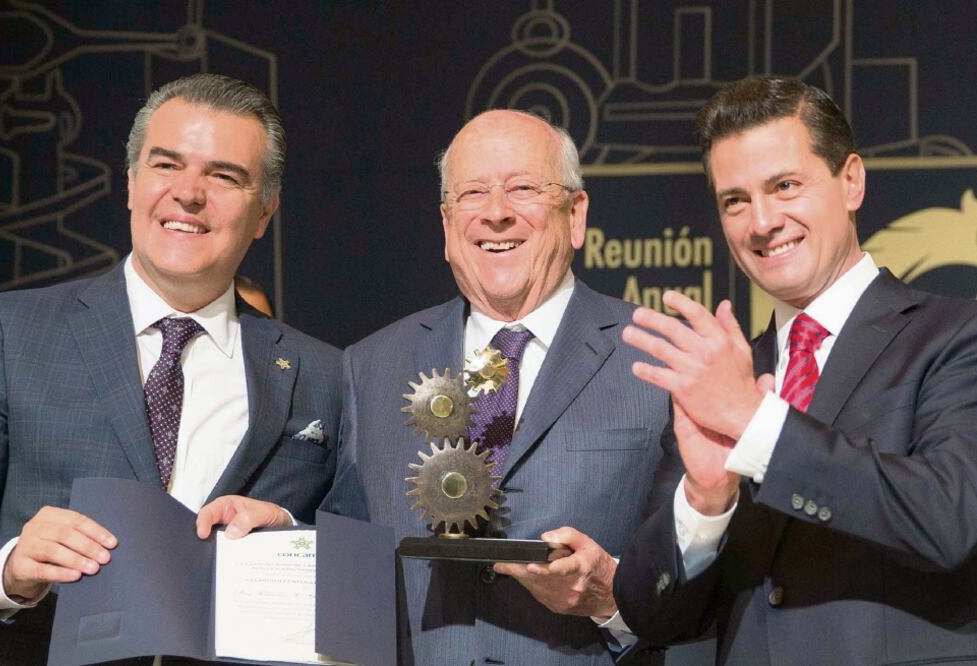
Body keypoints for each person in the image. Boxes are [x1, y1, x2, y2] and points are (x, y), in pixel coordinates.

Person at [204, 109, 669, 664]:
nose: (496, 213)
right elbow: (359, 549)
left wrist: (610, 599)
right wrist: (284, 535)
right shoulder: (372, 365)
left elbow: (710, 581)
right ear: (448, 226)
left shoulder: (658, 356)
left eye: (523, 188)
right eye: (472, 193)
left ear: (575, 214)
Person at [0, 73, 341, 664]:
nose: (189, 194)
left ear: (265, 210)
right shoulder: (4, 332)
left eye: (224, 176)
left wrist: (293, 531)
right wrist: (7, 567)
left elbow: (360, 557)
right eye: (167, 165)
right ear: (131, 183)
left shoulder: (324, 374)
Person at [614, 76, 977, 665]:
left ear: (851, 181)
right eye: (735, 200)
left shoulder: (954, 338)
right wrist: (706, 501)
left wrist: (758, 427)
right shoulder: (727, 376)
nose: (761, 222)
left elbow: (949, 520)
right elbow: (649, 613)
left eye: (785, 186)